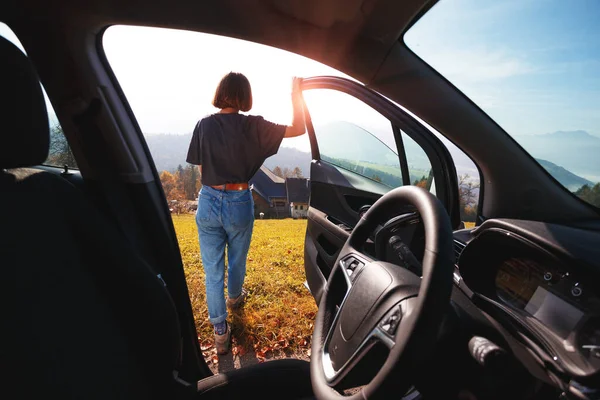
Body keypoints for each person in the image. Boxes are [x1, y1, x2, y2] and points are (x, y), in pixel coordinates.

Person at [186, 72, 306, 355]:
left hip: (208, 199)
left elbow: (201, 169)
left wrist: (214, 191)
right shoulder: (255, 126)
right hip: (240, 199)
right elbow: (298, 128)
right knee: (237, 260)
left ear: (221, 93)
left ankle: (219, 331)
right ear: (246, 96)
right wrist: (296, 96)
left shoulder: (204, 125)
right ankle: (235, 299)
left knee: (212, 271)